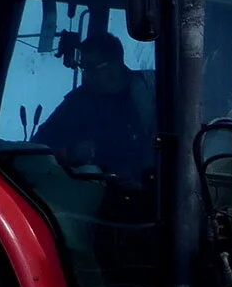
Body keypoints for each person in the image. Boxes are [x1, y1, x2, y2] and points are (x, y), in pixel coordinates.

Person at [37, 32, 154, 182]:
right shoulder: (78, 102)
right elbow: (40, 145)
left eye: (91, 67)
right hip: (93, 193)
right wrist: (71, 152)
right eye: (83, 68)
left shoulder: (151, 92)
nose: (86, 75)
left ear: (115, 65)